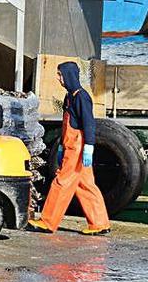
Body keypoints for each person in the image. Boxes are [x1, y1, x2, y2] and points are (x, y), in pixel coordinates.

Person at [29, 61, 110, 235]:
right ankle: (100, 223)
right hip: (70, 145)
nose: (58, 78)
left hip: (78, 147)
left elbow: (89, 124)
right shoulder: (70, 96)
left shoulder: (82, 97)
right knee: (86, 185)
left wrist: (89, 146)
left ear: (69, 75)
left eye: (60, 74)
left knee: (62, 182)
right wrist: (61, 148)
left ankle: (47, 221)